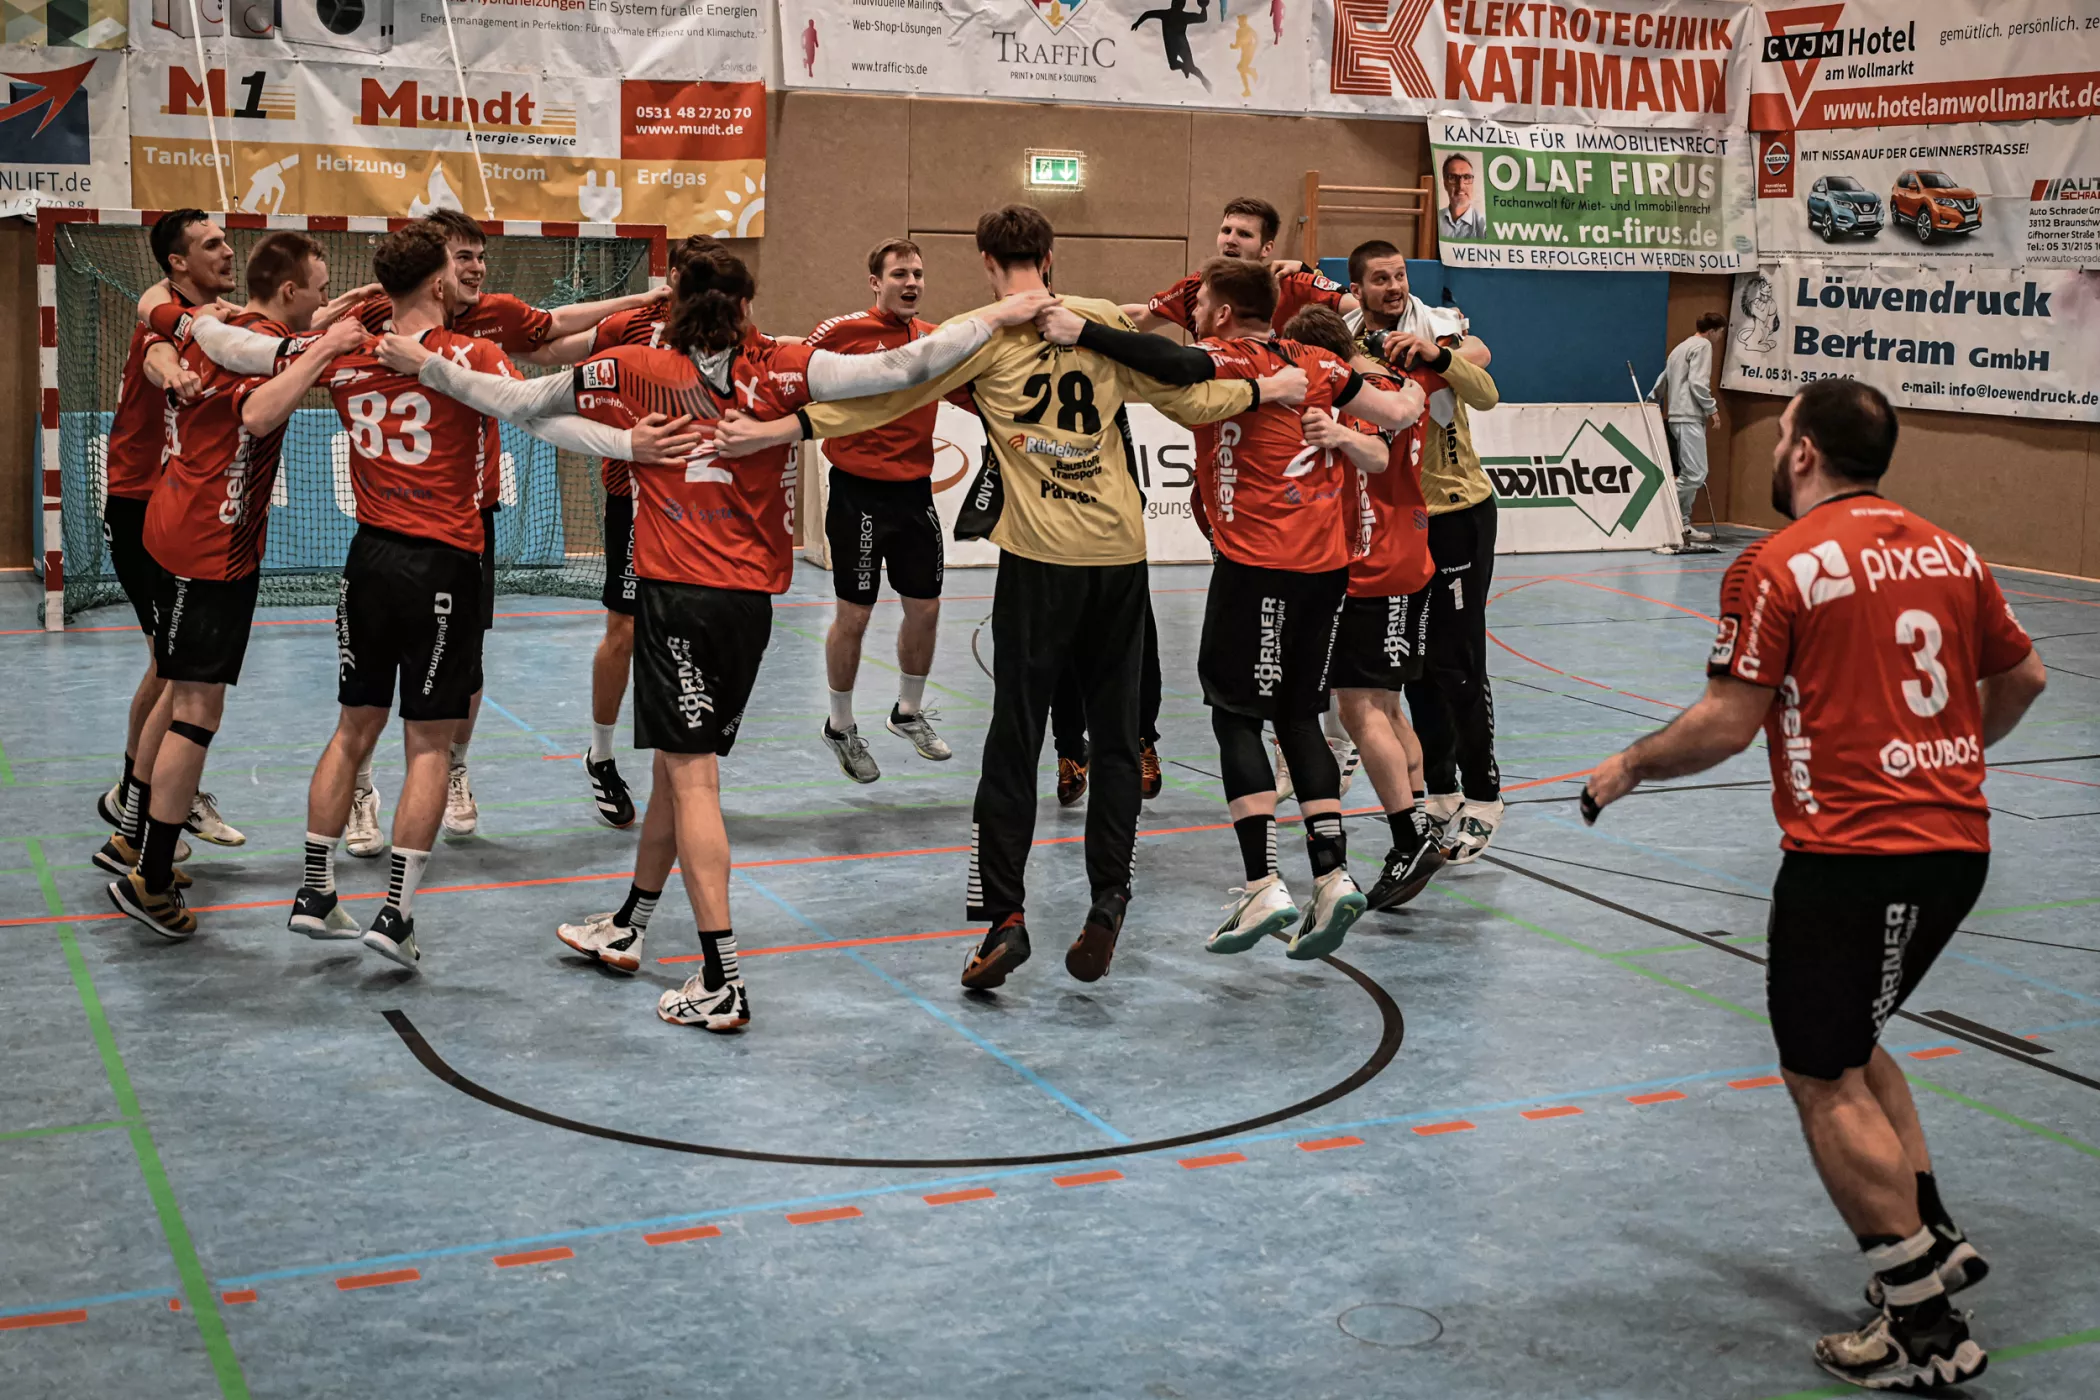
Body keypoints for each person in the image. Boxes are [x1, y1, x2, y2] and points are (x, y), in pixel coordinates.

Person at [383, 245, 1052, 1022]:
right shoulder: (791, 364)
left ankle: (721, 976)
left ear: (672, 300)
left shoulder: (634, 368)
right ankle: (630, 923)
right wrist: (1001, 312)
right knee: (677, 770)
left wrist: (424, 364)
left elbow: (514, 398)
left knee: (693, 779)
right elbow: (909, 366)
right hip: (749, 610)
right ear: (745, 304)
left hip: (680, 602)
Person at [712, 205, 1309, 992]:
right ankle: (1108, 899)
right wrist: (1268, 390)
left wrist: (781, 430)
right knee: (1118, 738)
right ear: (1052, 256)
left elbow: (887, 400)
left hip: (1039, 564)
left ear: (988, 263)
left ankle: (1006, 916)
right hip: (1119, 557)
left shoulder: (977, 331)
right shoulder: (1094, 320)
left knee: (1015, 737)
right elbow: (1191, 398)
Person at [1584, 380, 2046, 1393]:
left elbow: (1725, 719)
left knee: (1820, 1076)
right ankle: (1933, 1231)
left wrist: (1629, 764)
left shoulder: (1775, 563)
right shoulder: (1949, 549)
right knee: (1855, 1041)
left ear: (1800, 453)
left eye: (1782, 429)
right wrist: (1956, 757)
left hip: (1854, 858)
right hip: (1954, 846)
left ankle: (1925, 1326)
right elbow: (2024, 678)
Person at [287, 223, 681, 970]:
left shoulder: (347, 358)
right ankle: (396, 914)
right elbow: (543, 415)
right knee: (430, 743)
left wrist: (347, 313)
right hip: (442, 562)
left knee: (351, 730)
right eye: (456, 266)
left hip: (365, 559)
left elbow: (289, 343)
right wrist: (631, 446)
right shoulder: (470, 355)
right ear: (437, 283)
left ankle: (313, 890)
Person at [1039, 259, 1423, 961]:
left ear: (1218, 313)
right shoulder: (1313, 359)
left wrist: (1082, 330)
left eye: (1201, 304)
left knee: (1235, 715)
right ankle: (1333, 876)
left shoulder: (1225, 356)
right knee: (1299, 718)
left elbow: (1160, 355)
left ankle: (1262, 883)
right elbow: (1403, 409)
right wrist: (1349, 429)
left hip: (1260, 565)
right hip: (1327, 568)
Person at [342, 208, 670, 853]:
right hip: (391, 520)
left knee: (463, 664)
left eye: (478, 256)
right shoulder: (383, 321)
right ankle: (360, 785)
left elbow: (557, 333)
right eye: (460, 257)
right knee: (369, 686)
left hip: (472, 517)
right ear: (433, 272)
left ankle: (454, 766)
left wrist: (636, 311)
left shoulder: (493, 320)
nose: (474, 268)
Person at [106, 237, 369, 936]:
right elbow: (258, 413)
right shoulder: (247, 344)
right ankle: (151, 880)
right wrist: (327, 347)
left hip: (174, 523)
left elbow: (288, 340)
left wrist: (345, 316)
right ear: (288, 293)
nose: (320, 297)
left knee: (176, 684)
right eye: (317, 287)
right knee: (198, 710)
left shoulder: (229, 327)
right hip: (208, 541)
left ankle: (134, 835)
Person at [94, 210, 245, 885]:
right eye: (211, 243)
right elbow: (157, 348)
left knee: (170, 662)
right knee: (171, 665)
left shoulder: (216, 316)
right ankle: (140, 802)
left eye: (226, 239)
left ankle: (144, 797)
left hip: (175, 505)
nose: (226, 249)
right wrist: (173, 375)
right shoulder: (161, 314)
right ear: (178, 263)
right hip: (139, 504)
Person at [1283, 304, 1445, 912]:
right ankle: (1423, 821)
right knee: (1387, 706)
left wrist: (1336, 432)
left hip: (1373, 566)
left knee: (1357, 711)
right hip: (1408, 552)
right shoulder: (1391, 383)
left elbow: (1374, 456)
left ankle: (1407, 837)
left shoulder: (1357, 398)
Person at [1349, 239, 1503, 864]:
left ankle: (1485, 796)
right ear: (1357, 288)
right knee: (1413, 668)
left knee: (1457, 660)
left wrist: (1438, 354)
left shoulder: (1436, 324)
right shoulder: (1350, 336)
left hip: (1458, 514)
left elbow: (1485, 384)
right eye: (1380, 278)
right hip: (1397, 521)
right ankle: (1438, 791)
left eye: (1400, 275)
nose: (1393, 286)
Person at [804, 237, 971, 783]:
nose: (912, 283)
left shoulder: (933, 340)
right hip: (857, 493)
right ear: (876, 281)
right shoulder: (842, 332)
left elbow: (972, 392)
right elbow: (794, 372)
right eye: (900, 273)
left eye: (918, 274)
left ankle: (907, 711)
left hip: (914, 493)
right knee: (855, 615)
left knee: (925, 609)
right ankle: (841, 725)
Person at [576, 233, 722, 830]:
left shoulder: (728, 326)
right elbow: (574, 367)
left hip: (703, 501)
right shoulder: (632, 325)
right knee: (627, 627)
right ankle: (602, 754)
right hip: (634, 496)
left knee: (691, 628)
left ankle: (683, 758)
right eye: (691, 276)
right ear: (673, 278)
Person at [1654, 311, 1726, 542]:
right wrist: (1712, 409)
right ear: (1713, 330)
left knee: (1689, 473)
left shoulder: (1679, 348)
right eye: (1721, 333)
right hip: (1688, 416)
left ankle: (1683, 524)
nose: (1719, 338)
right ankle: (1655, 510)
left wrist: (1651, 400)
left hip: (1677, 416)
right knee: (1696, 474)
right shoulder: (1703, 345)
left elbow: (1663, 379)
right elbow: (1697, 382)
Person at [1437, 153, 1485, 240]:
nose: (1461, 186)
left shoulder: (1485, 226)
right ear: (1445, 184)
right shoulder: (1434, 221)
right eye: (1453, 178)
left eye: (1467, 177)